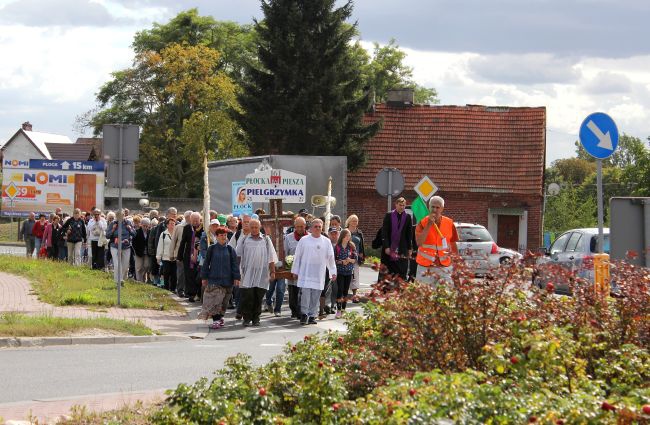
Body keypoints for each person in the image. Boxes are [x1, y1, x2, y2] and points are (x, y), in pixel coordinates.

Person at [291, 219, 336, 325]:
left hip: (319, 273)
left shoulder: (326, 241)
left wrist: (333, 271)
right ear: (311, 228)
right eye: (315, 226)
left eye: (319, 227)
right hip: (306, 271)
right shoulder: (304, 240)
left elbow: (330, 258)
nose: (317, 228)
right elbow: (298, 256)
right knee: (305, 294)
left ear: (322, 228)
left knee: (316, 295)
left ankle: (312, 315)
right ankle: (304, 314)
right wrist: (295, 271)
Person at [236, 219, 278, 327]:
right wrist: (237, 272)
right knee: (248, 296)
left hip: (262, 273)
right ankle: (246, 318)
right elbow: (238, 256)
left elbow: (271, 257)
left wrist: (272, 271)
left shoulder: (266, 239)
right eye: (252, 227)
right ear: (249, 228)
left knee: (259, 297)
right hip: (247, 272)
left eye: (256, 227)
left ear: (259, 227)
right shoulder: (244, 239)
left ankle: (256, 318)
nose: (254, 229)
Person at [199, 226, 241, 329]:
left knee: (224, 303)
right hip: (214, 280)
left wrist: (237, 278)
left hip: (228, 281)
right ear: (216, 237)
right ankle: (216, 320)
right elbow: (206, 264)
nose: (223, 237)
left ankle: (220, 317)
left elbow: (235, 265)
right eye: (221, 235)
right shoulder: (211, 249)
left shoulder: (230, 250)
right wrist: (204, 277)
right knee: (215, 302)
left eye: (225, 235)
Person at [414, 196, 459, 284]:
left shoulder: (449, 223)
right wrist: (428, 225)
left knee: (446, 294)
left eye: (437, 207)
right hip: (425, 266)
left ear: (442, 208)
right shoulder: (422, 222)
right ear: (429, 207)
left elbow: (453, 243)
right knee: (424, 295)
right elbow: (419, 243)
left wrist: (456, 263)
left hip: (444, 267)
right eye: (432, 207)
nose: (434, 210)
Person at [381, 197, 413, 280]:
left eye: (403, 205)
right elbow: (384, 232)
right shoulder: (389, 215)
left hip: (403, 248)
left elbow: (409, 234)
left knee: (402, 270)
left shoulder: (408, 217)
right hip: (390, 247)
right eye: (400, 205)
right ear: (396, 205)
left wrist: (409, 248)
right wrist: (386, 246)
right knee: (390, 271)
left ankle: (400, 290)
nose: (402, 207)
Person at [283, 216, 307, 319]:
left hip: (305, 269)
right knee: (293, 292)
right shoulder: (288, 237)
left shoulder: (309, 237)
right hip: (293, 268)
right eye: (298, 226)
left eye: (302, 226)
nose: (300, 229)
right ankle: (294, 310)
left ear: (305, 226)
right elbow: (285, 253)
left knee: (304, 292)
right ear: (294, 226)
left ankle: (301, 311)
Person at [178, 212, 204, 303]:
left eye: (197, 220)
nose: (195, 222)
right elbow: (183, 242)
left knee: (198, 276)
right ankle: (191, 294)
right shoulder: (187, 228)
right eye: (193, 220)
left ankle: (198, 293)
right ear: (190, 220)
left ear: (200, 220)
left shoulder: (203, 228)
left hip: (200, 255)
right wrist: (179, 256)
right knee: (189, 275)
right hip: (188, 255)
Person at [106, 211, 135, 284]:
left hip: (126, 246)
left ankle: (122, 278)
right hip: (115, 246)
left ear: (124, 215)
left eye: (121, 215)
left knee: (125, 265)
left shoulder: (128, 223)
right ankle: (118, 280)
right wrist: (113, 229)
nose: (120, 217)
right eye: (118, 216)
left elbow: (134, 234)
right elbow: (107, 235)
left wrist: (130, 229)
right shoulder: (113, 223)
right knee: (116, 264)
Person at [334, 229, 356, 318]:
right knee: (340, 290)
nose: (348, 237)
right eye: (347, 235)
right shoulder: (337, 247)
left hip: (349, 271)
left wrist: (350, 260)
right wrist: (342, 262)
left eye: (349, 236)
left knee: (346, 291)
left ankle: (343, 309)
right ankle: (338, 310)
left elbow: (355, 258)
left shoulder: (351, 246)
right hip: (340, 271)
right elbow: (334, 260)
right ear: (343, 236)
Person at [171, 210, 191, 297]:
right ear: (186, 218)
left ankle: (188, 290)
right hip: (180, 254)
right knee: (181, 273)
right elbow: (173, 241)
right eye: (190, 217)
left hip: (190, 255)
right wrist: (171, 254)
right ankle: (180, 290)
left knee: (189, 273)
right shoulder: (179, 227)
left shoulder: (194, 227)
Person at [345, 214, 365, 302]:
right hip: (345, 256)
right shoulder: (345, 231)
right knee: (345, 275)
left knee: (355, 276)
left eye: (356, 221)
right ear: (349, 221)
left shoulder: (359, 232)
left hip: (355, 257)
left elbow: (361, 245)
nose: (355, 222)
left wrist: (361, 254)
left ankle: (354, 295)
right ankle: (344, 294)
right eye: (353, 220)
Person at [156, 218, 177, 292]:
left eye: (173, 223)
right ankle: (166, 289)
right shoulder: (164, 234)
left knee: (174, 275)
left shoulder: (176, 233)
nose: (172, 225)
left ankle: (173, 289)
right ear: (167, 225)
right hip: (166, 258)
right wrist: (158, 257)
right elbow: (160, 246)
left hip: (175, 258)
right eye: (170, 223)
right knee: (166, 274)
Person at [133, 217, 152, 282]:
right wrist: (136, 250)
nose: (145, 227)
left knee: (147, 265)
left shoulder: (150, 232)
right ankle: (139, 280)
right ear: (141, 225)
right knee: (139, 267)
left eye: (147, 226)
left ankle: (143, 276)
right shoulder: (137, 232)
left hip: (147, 252)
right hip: (139, 252)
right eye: (144, 226)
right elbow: (134, 243)